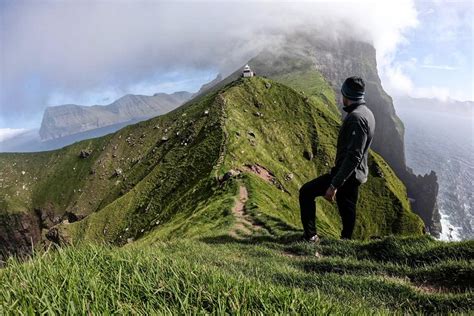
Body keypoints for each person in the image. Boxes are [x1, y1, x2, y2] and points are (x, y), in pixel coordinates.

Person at [299, 76, 375, 241]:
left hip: (348, 174)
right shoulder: (367, 113)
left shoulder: (356, 118)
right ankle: (345, 241)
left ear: (346, 95)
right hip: (355, 174)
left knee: (306, 192)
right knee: (348, 209)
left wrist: (334, 184)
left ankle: (311, 237)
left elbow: (353, 156)